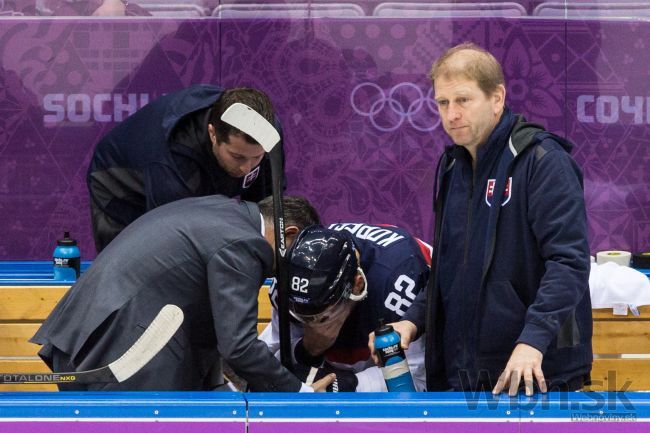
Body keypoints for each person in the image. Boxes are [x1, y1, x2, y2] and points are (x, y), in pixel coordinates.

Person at [370, 43, 592, 396]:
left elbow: (569, 262)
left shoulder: (542, 161)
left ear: (497, 98)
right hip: (461, 372)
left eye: (463, 100)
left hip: (535, 372)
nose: (451, 114)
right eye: (443, 103)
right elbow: (446, 268)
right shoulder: (453, 166)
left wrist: (532, 341)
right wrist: (412, 322)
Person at [31, 195, 334, 392]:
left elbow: (212, 325)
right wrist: (300, 395)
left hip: (87, 336)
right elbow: (238, 346)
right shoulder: (244, 242)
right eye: (297, 260)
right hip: (121, 350)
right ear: (290, 233)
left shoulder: (221, 210)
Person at [87, 84, 284, 252]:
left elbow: (266, 212)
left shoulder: (267, 134)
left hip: (190, 175)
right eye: (237, 156)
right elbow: (172, 241)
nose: (247, 168)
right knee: (130, 265)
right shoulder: (174, 158)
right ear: (213, 134)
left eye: (256, 157)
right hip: (121, 183)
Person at [260, 223, 431, 392]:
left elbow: (417, 380)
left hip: (407, 328)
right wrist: (307, 350)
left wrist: (346, 386)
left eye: (321, 316)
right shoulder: (288, 284)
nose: (311, 324)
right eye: (302, 317)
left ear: (358, 285)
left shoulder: (400, 285)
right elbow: (267, 356)